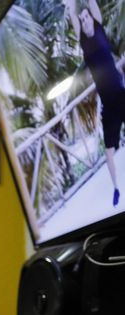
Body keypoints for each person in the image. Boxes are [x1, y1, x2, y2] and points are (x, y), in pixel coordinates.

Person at [67, 0, 125, 206]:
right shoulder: (82, 39)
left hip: (121, 94)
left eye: (86, 18)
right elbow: (73, 13)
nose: (84, 21)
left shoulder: (99, 27)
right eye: (81, 20)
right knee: (109, 150)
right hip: (108, 105)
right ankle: (116, 188)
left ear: (92, 18)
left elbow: (91, 3)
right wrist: (73, 5)